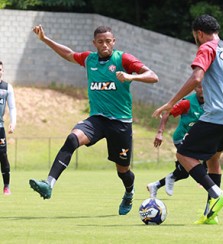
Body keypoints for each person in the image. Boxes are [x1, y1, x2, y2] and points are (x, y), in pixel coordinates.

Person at [29, 25, 159, 215]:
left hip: (121, 123)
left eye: (108, 41)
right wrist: (45, 39)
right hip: (97, 120)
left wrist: (131, 76)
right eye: (100, 41)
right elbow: (69, 54)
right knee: (72, 139)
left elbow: (153, 76)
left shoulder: (123, 59)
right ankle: (48, 184)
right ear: (94, 43)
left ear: (113, 42)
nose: (105, 44)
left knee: (123, 171)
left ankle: (129, 192)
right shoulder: (90, 59)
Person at [153, 14, 223, 224]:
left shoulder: (207, 47)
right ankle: (210, 215)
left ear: (199, 33)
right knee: (213, 159)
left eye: (195, 36)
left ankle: (216, 193)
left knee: (184, 154)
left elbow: (197, 77)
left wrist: (170, 103)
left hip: (218, 114)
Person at [147, 85, 204, 198]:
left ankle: (156, 185)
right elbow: (167, 113)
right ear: (194, 89)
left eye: (205, 86)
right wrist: (160, 132)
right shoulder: (187, 103)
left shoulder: (213, 101)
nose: (203, 89)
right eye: (199, 87)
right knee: (192, 166)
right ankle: (170, 178)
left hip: (195, 141)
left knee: (184, 173)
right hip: (181, 138)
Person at [0, 61, 17, 195]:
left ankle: (6, 186)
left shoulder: (7, 87)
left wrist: (13, 122)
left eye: (0, 69)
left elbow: (12, 107)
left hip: (0, 128)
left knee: (3, 155)